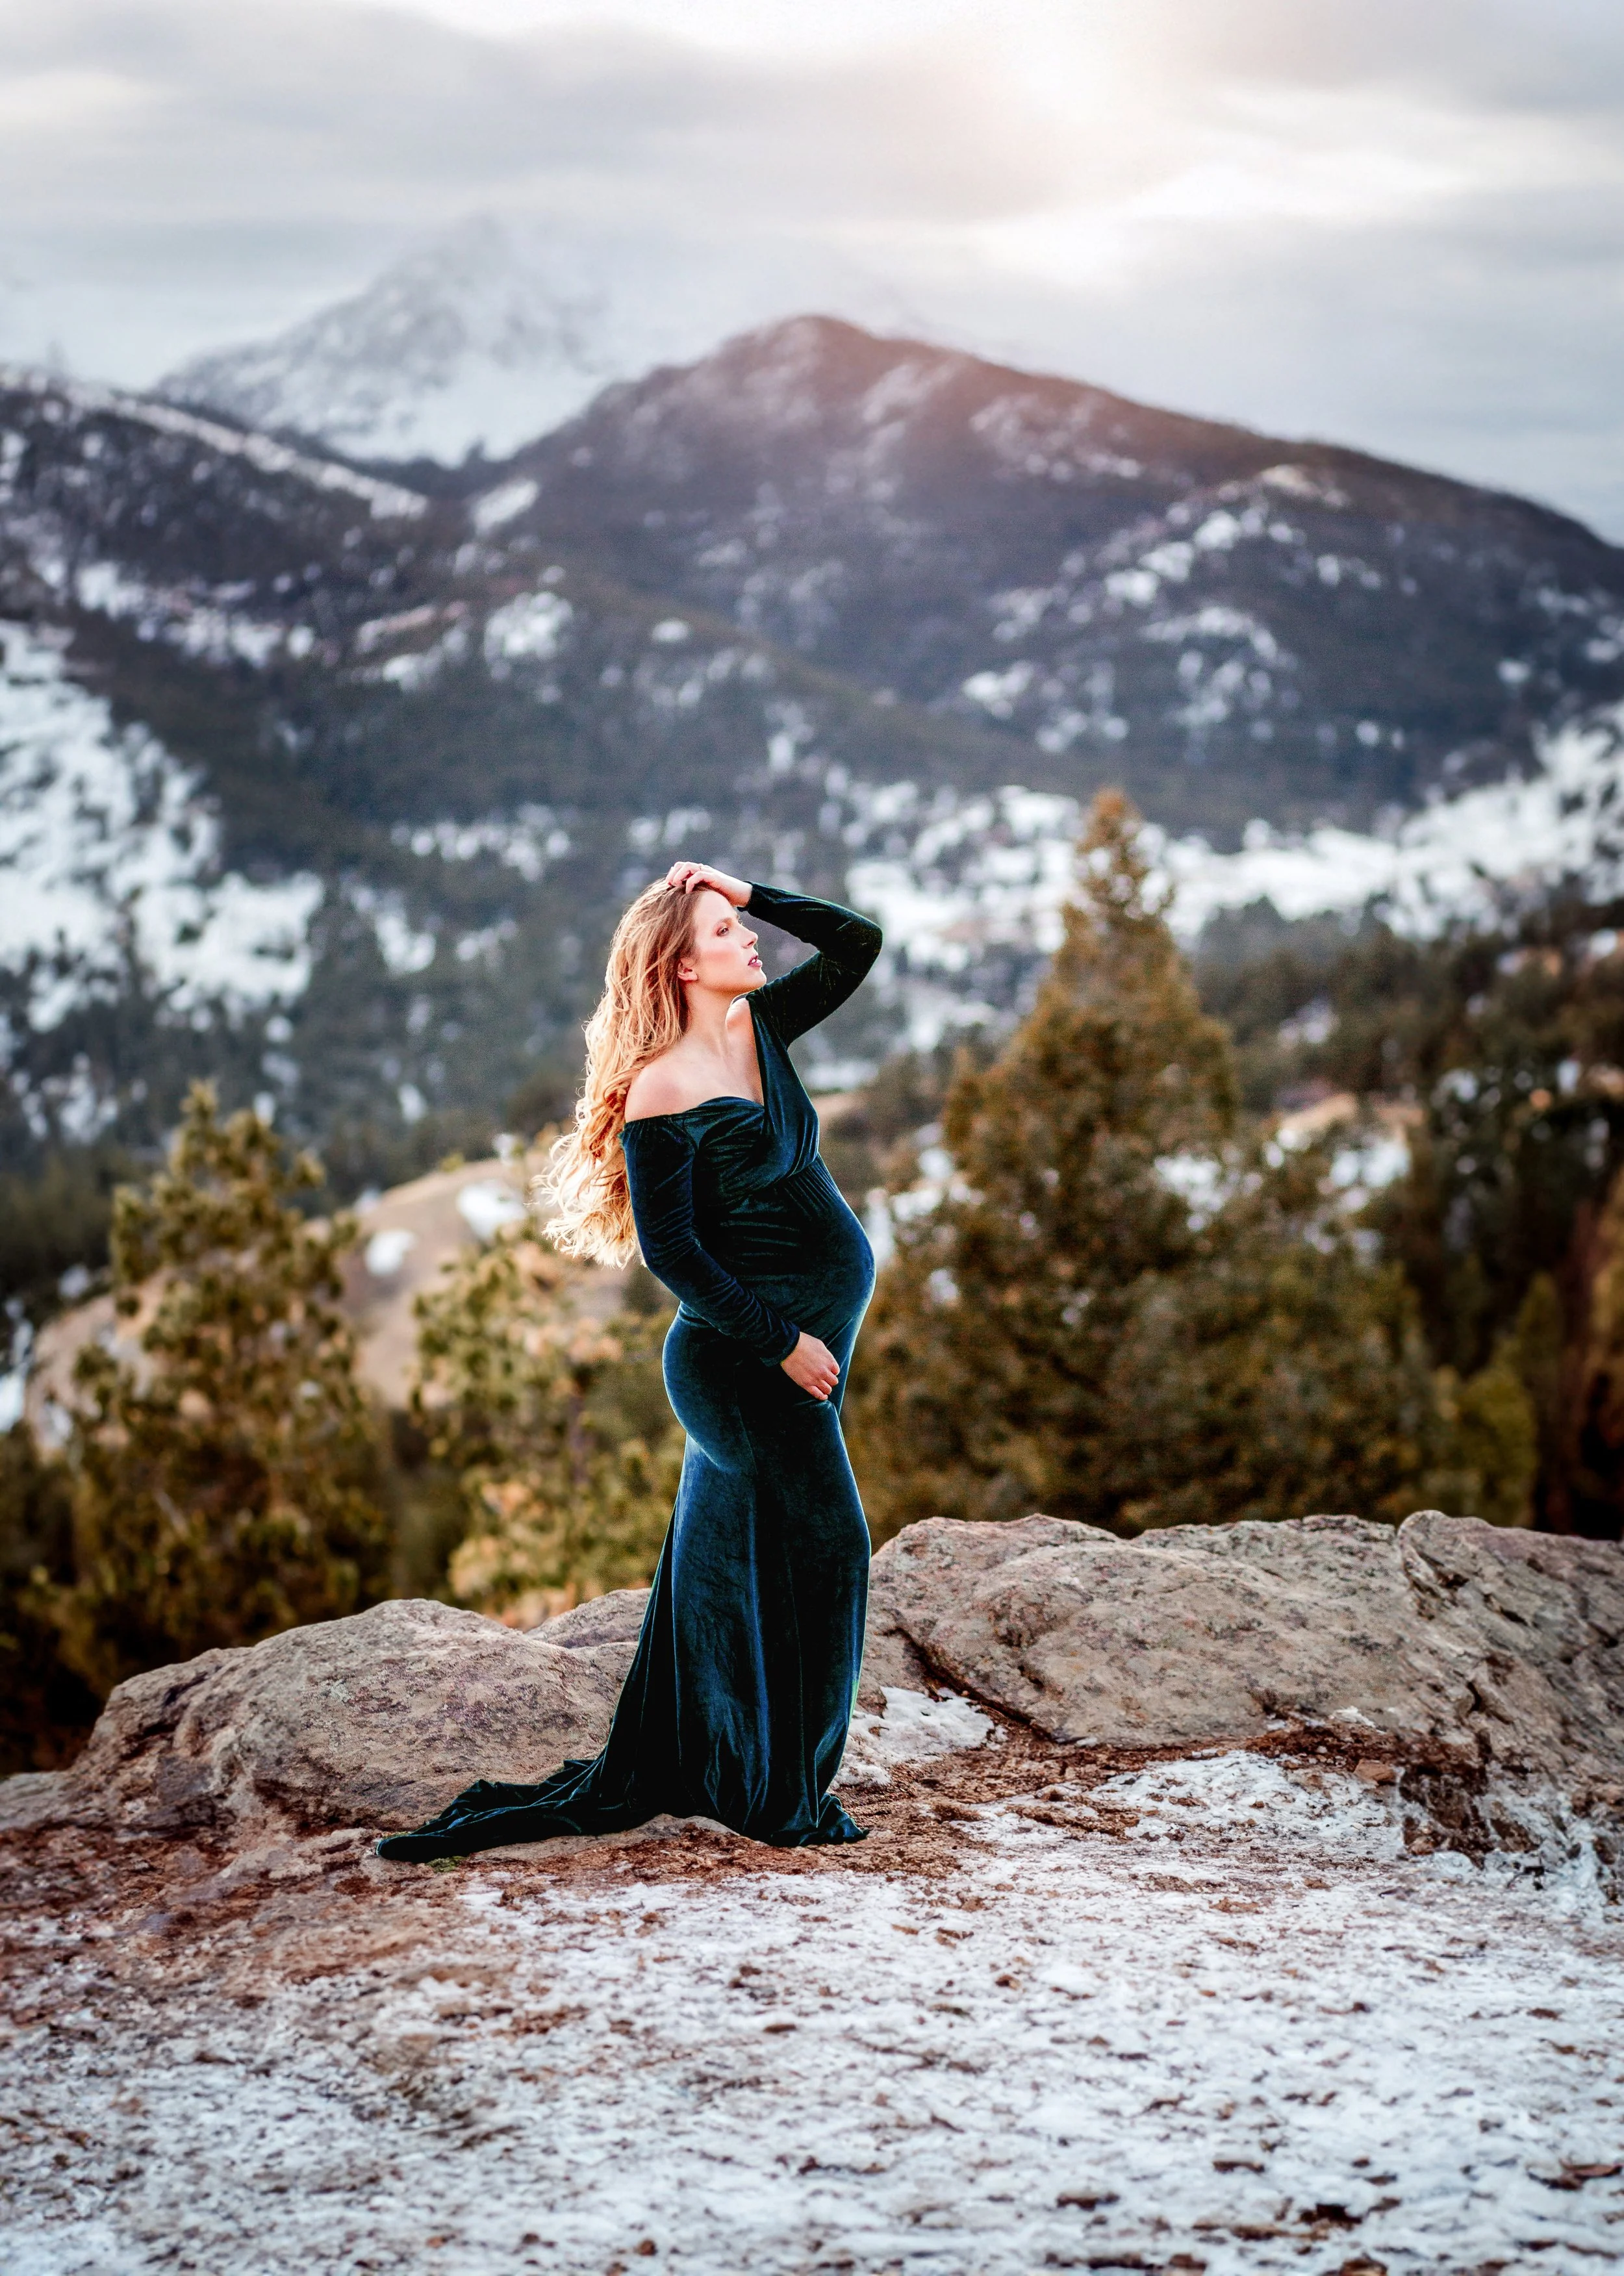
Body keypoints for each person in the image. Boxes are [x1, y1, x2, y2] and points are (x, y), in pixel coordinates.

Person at [376, 861, 883, 1860]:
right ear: (683, 967)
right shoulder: (663, 1088)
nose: (750, 941)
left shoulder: (760, 1029)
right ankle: (784, 1793)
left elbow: (858, 942)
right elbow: (674, 1252)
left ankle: (733, 1764)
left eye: (742, 926)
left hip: (802, 1347)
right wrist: (782, 1343)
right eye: (726, 931)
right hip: (743, 1364)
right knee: (832, 1549)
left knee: (737, 1564)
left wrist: (746, 890)